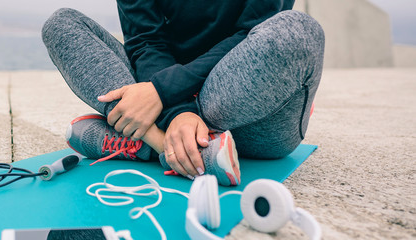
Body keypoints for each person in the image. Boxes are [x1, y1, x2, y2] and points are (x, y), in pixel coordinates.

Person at [42, 0, 324, 186]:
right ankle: (166, 145)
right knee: (62, 24)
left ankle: (142, 137)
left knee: (299, 29)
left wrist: (163, 94)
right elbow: (146, 41)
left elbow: (251, 32)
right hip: (159, 98)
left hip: (249, 113)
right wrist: (177, 112)